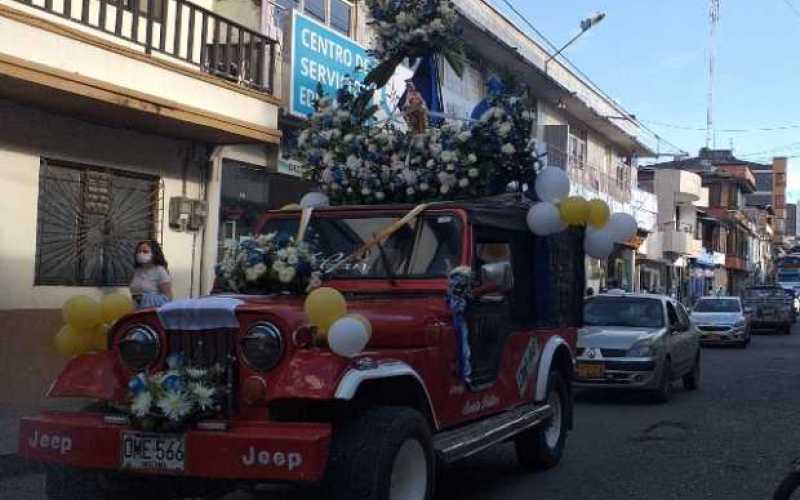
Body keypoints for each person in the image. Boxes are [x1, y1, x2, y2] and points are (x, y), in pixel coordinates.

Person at [130, 240, 173, 309]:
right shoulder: (137, 271)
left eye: (145, 251)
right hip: (135, 311)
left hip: (151, 313)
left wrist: (144, 298)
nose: (141, 254)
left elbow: (167, 299)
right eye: (139, 251)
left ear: (154, 254)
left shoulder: (160, 271)